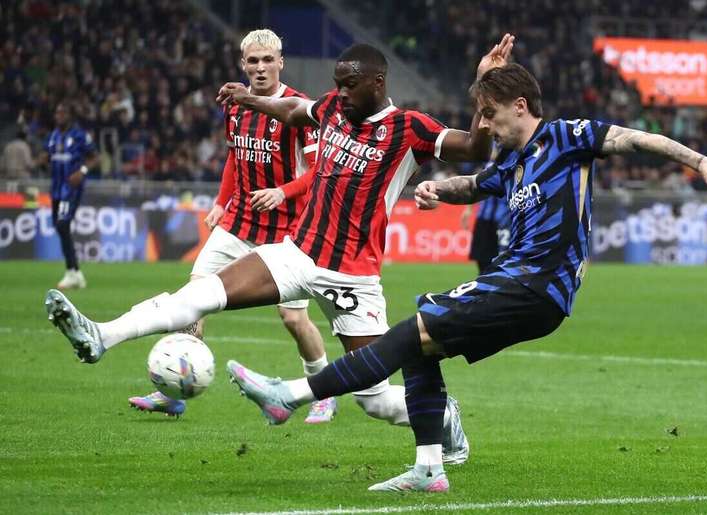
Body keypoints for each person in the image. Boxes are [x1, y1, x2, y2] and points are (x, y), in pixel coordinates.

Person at [211, 62, 707, 492]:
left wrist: (699, 160)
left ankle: (293, 395)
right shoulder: (513, 162)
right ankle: (428, 468)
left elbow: (636, 139)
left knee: (409, 330)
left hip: (537, 284)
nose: (484, 126)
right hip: (518, 283)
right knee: (420, 346)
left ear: (521, 107)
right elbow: (478, 183)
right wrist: (438, 190)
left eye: (490, 115)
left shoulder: (566, 137)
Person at [45, 35, 517, 463]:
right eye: (338, 85)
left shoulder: (408, 127)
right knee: (201, 293)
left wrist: (486, 81)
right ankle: (100, 336)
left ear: (378, 82)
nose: (342, 94)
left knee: (373, 399)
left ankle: (443, 416)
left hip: (353, 275)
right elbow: (295, 112)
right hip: (297, 253)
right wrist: (250, 98)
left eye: (350, 86)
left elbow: (475, 149)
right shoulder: (333, 107)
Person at [127, 29, 337, 424]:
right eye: (252, 61)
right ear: (243, 64)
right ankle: (173, 391)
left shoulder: (299, 108)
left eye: (267, 60)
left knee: (293, 319)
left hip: (287, 230)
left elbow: (318, 169)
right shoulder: (235, 103)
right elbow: (234, 157)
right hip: (238, 222)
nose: (260, 67)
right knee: (192, 301)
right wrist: (222, 202)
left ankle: (323, 390)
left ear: (280, 62)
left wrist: (283, 191)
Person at [45, 102, 99, 289]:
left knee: (62, 223)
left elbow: (95, 157)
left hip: (70, 189)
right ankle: (76, 273)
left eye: (62, 112)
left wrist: (82, 171)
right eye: (57, 112)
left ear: (69, 115)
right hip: (56, 188)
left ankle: (71, 271)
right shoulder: (52, 136)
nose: (58, 115)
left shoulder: (79, 135)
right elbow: (49, 157)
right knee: (60, 227)